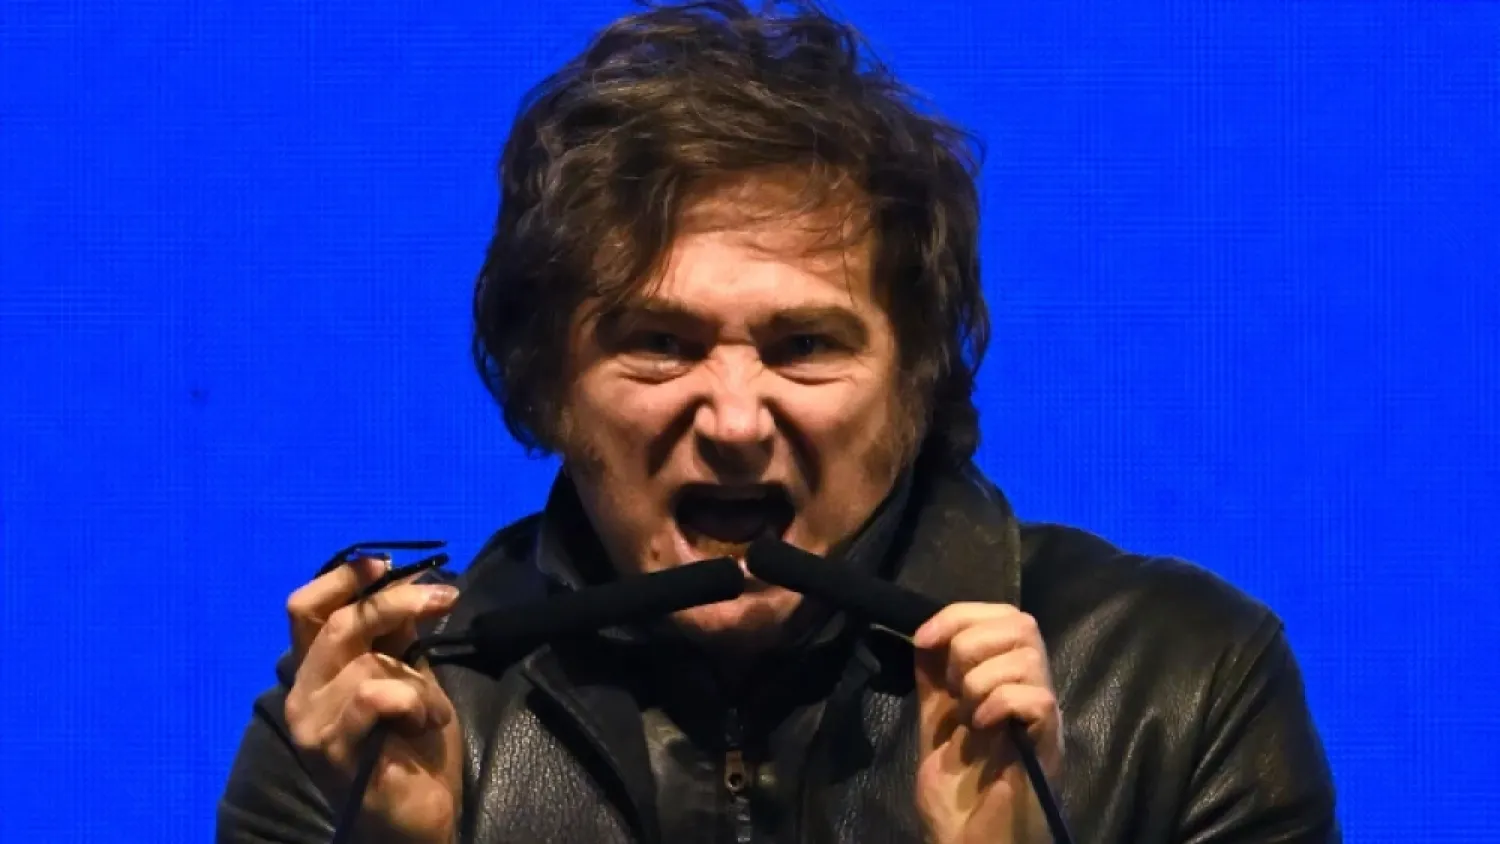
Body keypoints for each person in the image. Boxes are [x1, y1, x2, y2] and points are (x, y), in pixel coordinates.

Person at [217, 2, 1340, 842]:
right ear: (547, 383)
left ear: (917, 386)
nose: (735, 420)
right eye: (659, 342)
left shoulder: (1178, 689)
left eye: (804, 345)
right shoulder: (359, 731)